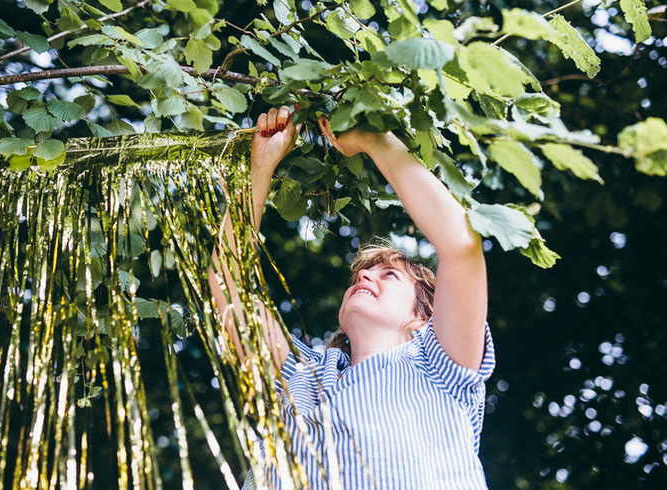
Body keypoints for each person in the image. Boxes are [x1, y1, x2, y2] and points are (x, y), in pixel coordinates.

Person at [208, 105, 494, 489]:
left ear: (425, 316)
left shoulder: (438, 363)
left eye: (388, 274)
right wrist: (259, 168)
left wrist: (374, 138)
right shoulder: (302, 377)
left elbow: (461, 245)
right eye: (363, 271)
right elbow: (230, 291)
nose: (362, 274)